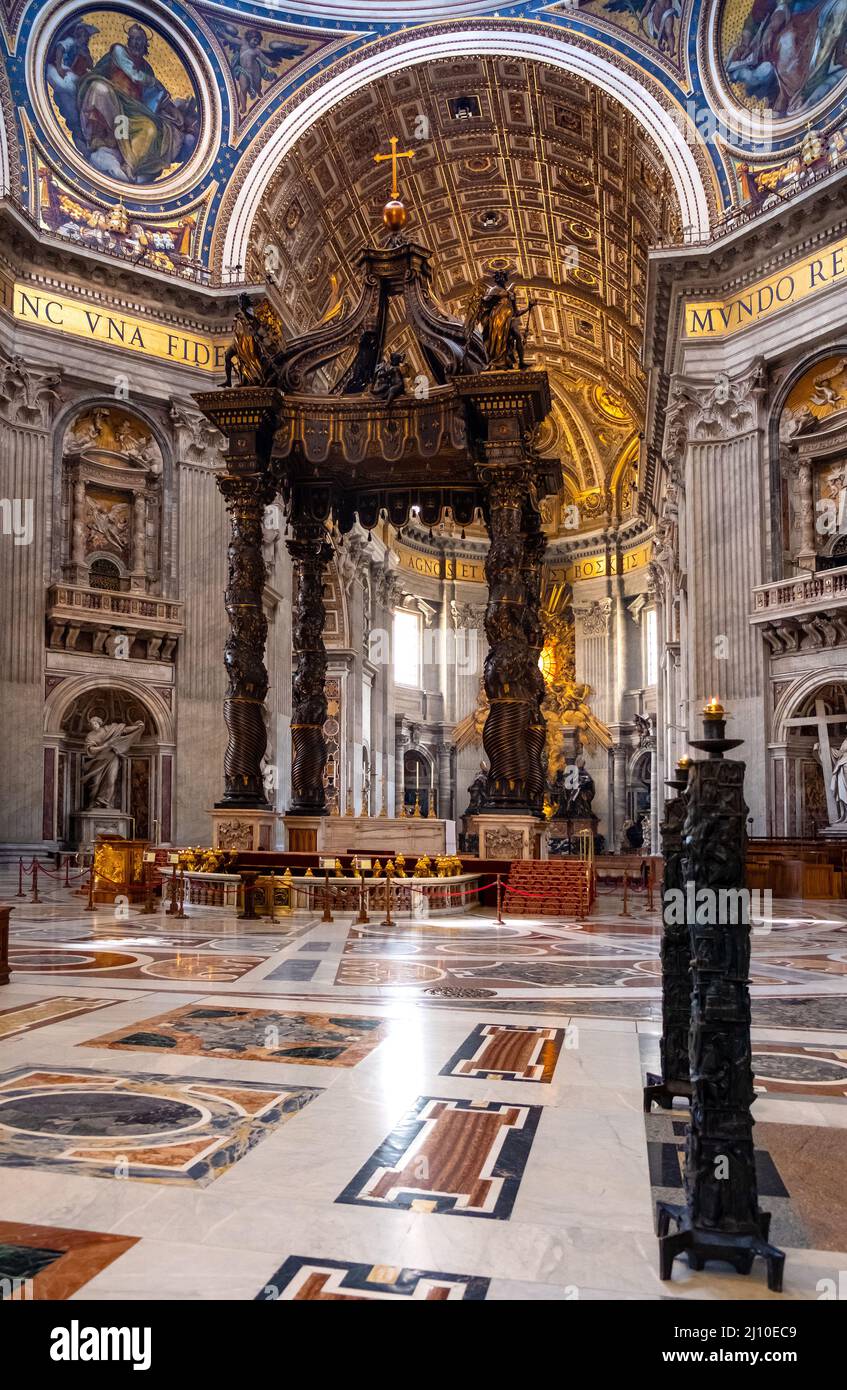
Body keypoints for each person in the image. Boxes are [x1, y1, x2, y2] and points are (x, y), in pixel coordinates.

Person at [81, 715, 145, 809]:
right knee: (95, 783)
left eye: (95, 723)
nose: (94, 725)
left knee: (111, 781)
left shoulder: (109, 729)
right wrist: (104, 746)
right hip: (99, 759)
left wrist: (136, 727)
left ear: (99, 722)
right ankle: (92, 803)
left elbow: (124, 730)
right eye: (91, 724)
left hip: (112, 758)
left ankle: (106, 802)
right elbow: (91, 750)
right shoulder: (90, 736)